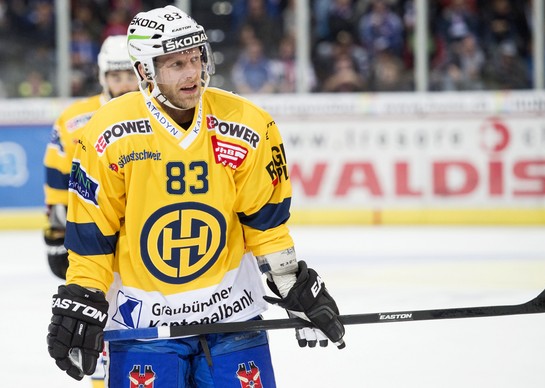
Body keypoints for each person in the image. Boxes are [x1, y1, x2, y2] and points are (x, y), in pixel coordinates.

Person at [46, 5, 345, 387]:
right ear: (145, 72)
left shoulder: (247, 124)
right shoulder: (106, 134)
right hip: (143, 325)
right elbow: (93, 236)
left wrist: (291, 283)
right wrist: (84, 298)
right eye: (175, 64)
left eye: (195, 58)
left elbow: (265, 223)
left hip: (233, 316)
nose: (192, 73)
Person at [43, 34, 138, 388]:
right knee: (95, 328)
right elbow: (56, 178)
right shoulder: (74, 120)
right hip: (94, 241)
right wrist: (55, 233)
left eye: (129, 74)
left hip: (143, 242)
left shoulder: (161, 116)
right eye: (115, 76)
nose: (123, 83)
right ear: (102, 77)